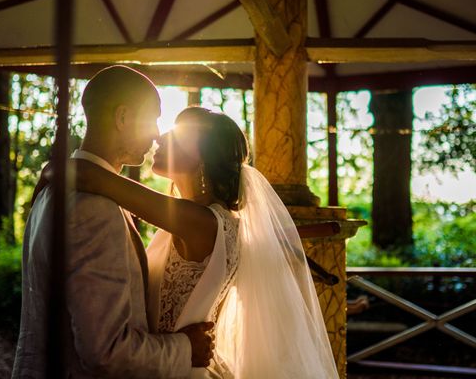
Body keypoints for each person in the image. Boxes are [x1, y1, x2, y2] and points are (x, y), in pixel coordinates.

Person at [67, 105, 339, 378]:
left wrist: (50, 176)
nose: (161, 138)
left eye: (177, 135)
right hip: (169, 362)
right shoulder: (202, 218)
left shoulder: (200, 222)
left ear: (201, 157)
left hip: (177, 369)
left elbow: (87, 174)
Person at [13, 66, 214, 378]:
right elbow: (106, 353)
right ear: (122, 118)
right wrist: (185, 348)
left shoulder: (52, 192)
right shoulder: (95, 208)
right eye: (152, 119)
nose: (156, 133)